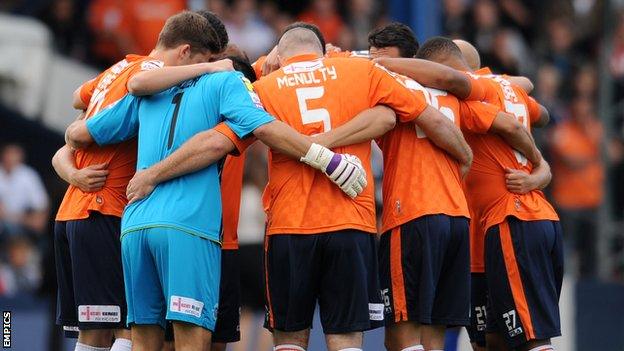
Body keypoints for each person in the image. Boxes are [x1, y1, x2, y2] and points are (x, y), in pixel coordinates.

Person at [63, 26, 369, 351]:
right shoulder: (228, 82)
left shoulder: (152, 87)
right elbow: (246, 130)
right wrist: (328, 159)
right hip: (189, 226)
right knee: (193, 341)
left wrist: (69, 155)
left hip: (136, 223)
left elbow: (83, 132)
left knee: (141, 339)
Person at [51, 11, 233, 351]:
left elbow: (78, 99)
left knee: (95, 330)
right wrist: (207, 68)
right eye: (203, 59)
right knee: (125, 329)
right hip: (104, 207)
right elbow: (138, 86)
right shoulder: (150, 73)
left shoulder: (119, 67)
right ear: (184, 52)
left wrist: (72, 166)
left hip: (75, 209)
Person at [368, 24, 543, 351]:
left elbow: (379, 120)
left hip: (409, 214)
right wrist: (539, 162)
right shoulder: (457, 97)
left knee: (400, 334)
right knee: (436, 333)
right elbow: (510, 121)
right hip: (457, 222)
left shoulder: (387, 87)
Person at [421, 37, 562, 351]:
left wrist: (539, 162)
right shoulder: (504, 87)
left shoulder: (468, 97)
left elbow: (512, 126)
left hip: (508, 220)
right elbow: (542, 116)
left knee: (530, 336)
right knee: (490, 339)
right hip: (487, 235)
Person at [551, 95, 603, 278]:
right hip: (568, 203)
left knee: (592, 254)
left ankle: (593, 295)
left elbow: (615, 153)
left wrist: (594, 145)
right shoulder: (563, 132)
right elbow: (572, 161)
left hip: (592, 201)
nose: (583, 113)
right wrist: (597, 154)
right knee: (567, 251)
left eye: (587, 110)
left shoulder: (595, 130)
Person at [0, 143, 49, 237]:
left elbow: (41, 207)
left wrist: (30, 220)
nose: (11, 159)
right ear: (3, 156)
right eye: (9, 155)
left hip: (21, 225)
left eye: (14, 155)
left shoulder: (28, 175)